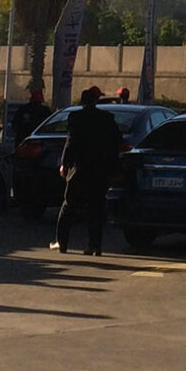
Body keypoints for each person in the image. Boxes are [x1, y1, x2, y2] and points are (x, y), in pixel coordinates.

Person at [50, 86, 122, 256]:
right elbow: (116, 142)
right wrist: (114, 167)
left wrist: (65, 164)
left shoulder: (76, 117)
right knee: (96, 208)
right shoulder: (107, 119)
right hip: (100, 170)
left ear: (82, 101)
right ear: (96, 101)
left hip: (79, 170)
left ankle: (62, 242)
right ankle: (95, 246)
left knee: (69, 205)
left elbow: (71, 142)